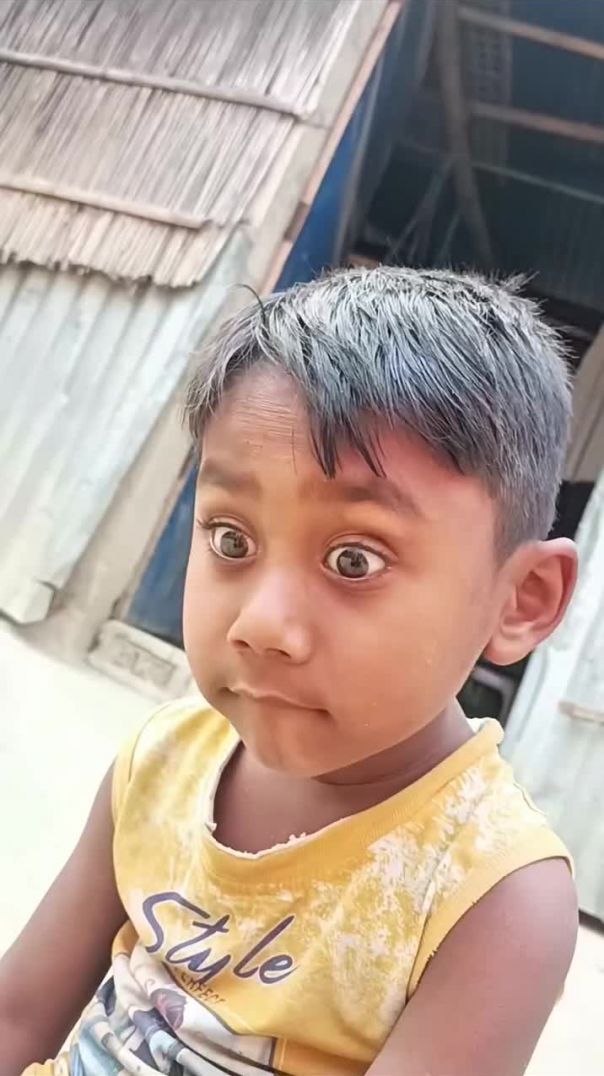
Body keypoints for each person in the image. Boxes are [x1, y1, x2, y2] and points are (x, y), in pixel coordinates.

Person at [0, 267, 579, 1076]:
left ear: (521, 599)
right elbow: (19, 1016)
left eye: (354, 559)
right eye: (231, 539)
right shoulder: (162, 763)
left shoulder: (491, 894)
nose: (260, 624)